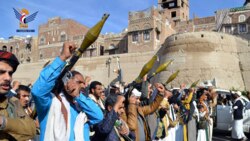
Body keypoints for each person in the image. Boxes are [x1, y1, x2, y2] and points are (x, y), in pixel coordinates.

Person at [31, 42, 103, 141]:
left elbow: (98, 117)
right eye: (79, 82)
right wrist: (63, 57)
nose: (84, 85)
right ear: (67, 81)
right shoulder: (49, 103)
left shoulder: (78, 106)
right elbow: (38, 91)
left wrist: (78, 96)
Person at [0, 50, 36, 140]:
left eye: (10, 73)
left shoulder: (13, 102)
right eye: (1, 72)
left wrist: (4, 122)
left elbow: (31, 130)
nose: (8, 78)